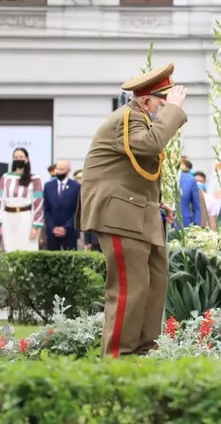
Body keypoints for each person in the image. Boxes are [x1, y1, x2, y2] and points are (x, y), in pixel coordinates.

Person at [77, 63, 187, 357]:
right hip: (119, 216)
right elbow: (150, 146)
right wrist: (174, 112)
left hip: (138, 212)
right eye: (163, 100)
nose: (167, 105)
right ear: (146, 99)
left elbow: (133, 171)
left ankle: (142, 353)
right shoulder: (128, 118)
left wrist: (156, 201)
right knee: (129, 289)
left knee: (153, 284)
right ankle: (117, 361)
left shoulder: (139, 119)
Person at [0, 147, 44, 252]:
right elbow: (0, 200)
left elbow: (38, 202)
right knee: (10, 250)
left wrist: (35, 226)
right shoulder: (5, 177)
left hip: (26, 219)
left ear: (27, 159)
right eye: (15, 157)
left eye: (21, 157)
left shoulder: (34, 178)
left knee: (28, 249)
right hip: (8, 219)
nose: (18, 159)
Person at [43, 159, 80, 251]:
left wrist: (65, 228)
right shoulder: (48, 186)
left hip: (70, 232)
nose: (58, 171)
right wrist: (53, 228)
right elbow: (46, 210)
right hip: (52, 233)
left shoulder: (76, 187)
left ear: (68, 171)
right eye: (57, 169)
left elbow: (77, 211)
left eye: (61, 169)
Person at [177, 159, 202, 228]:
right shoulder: (160, 176)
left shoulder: (190, 180)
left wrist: (196, 226)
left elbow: (196, 206)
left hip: (184, 224)